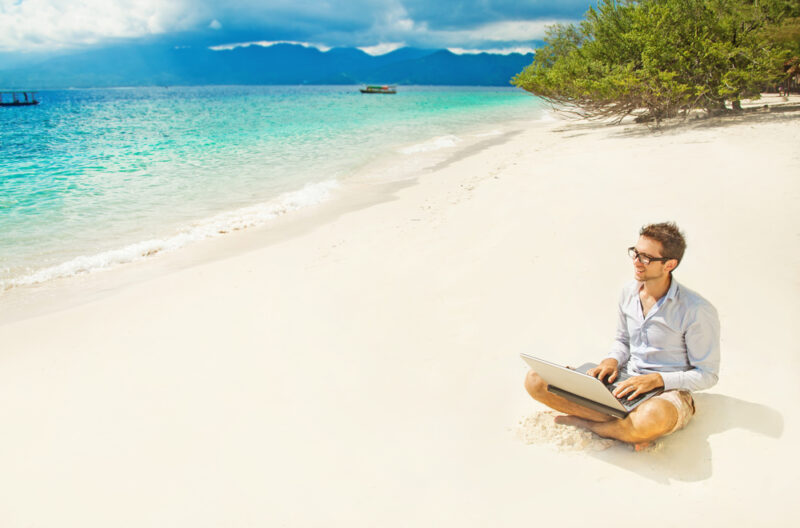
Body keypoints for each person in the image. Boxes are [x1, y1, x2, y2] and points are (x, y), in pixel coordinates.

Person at [524, 222, 720, 449]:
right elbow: (623, 341)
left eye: (646, 258)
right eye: (635, 253)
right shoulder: (628, 292)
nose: (636, 261)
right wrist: (612, 360)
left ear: (669, 264)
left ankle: (590, 423)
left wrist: (658, 380)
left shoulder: (696, 310)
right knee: (535, 380)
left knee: (651, 417)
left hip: (665, 393)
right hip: (623, 382)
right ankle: (627, 428)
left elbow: (707, 375)